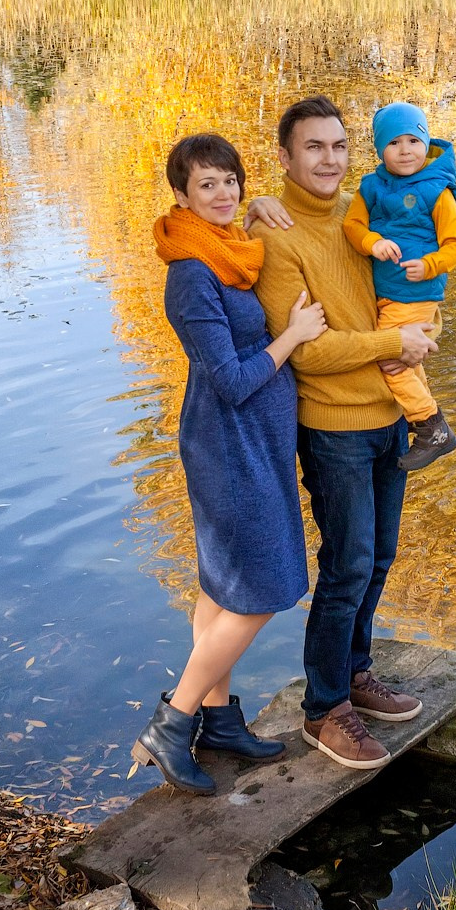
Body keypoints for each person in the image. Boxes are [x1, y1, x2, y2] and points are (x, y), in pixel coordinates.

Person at [131, 132, 329, 796]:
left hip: (252, 443)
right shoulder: (190, 273)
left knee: (219, 586)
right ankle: (173, 720)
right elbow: (233, 378)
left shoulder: (224, 251)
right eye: (206, 184)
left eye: (230, 180)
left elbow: (248, 230)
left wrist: (262, 206)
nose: (223, 194)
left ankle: (216, 718)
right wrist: (293, 337)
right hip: (229, 444)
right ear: (181, 194)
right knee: (262, 586)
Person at [250, 96, 437, 770]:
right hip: (333, 428)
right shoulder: (277, 237)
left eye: (337, 146)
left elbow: (428, 216)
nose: (328, 159)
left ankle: (356, 671)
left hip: (389, 416)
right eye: (313, 147)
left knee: (380, 557)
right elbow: (306, 351)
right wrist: (395, 339)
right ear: (285, 156)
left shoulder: (365, 215)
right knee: (347, 565)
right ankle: (324, 708)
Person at [344, 101, 456, 467]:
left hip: (414, 292)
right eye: (394, 142)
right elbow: (353, 226)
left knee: (388, 357)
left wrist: (429, 265)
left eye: (413, 141)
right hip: (386, 292)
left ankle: (431, 425)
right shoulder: (371, 187)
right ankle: (422, 413)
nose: (405, 150)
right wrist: (372, 243)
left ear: (425, 144)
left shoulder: (436, 190)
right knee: (408, 365)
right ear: (380, 149)